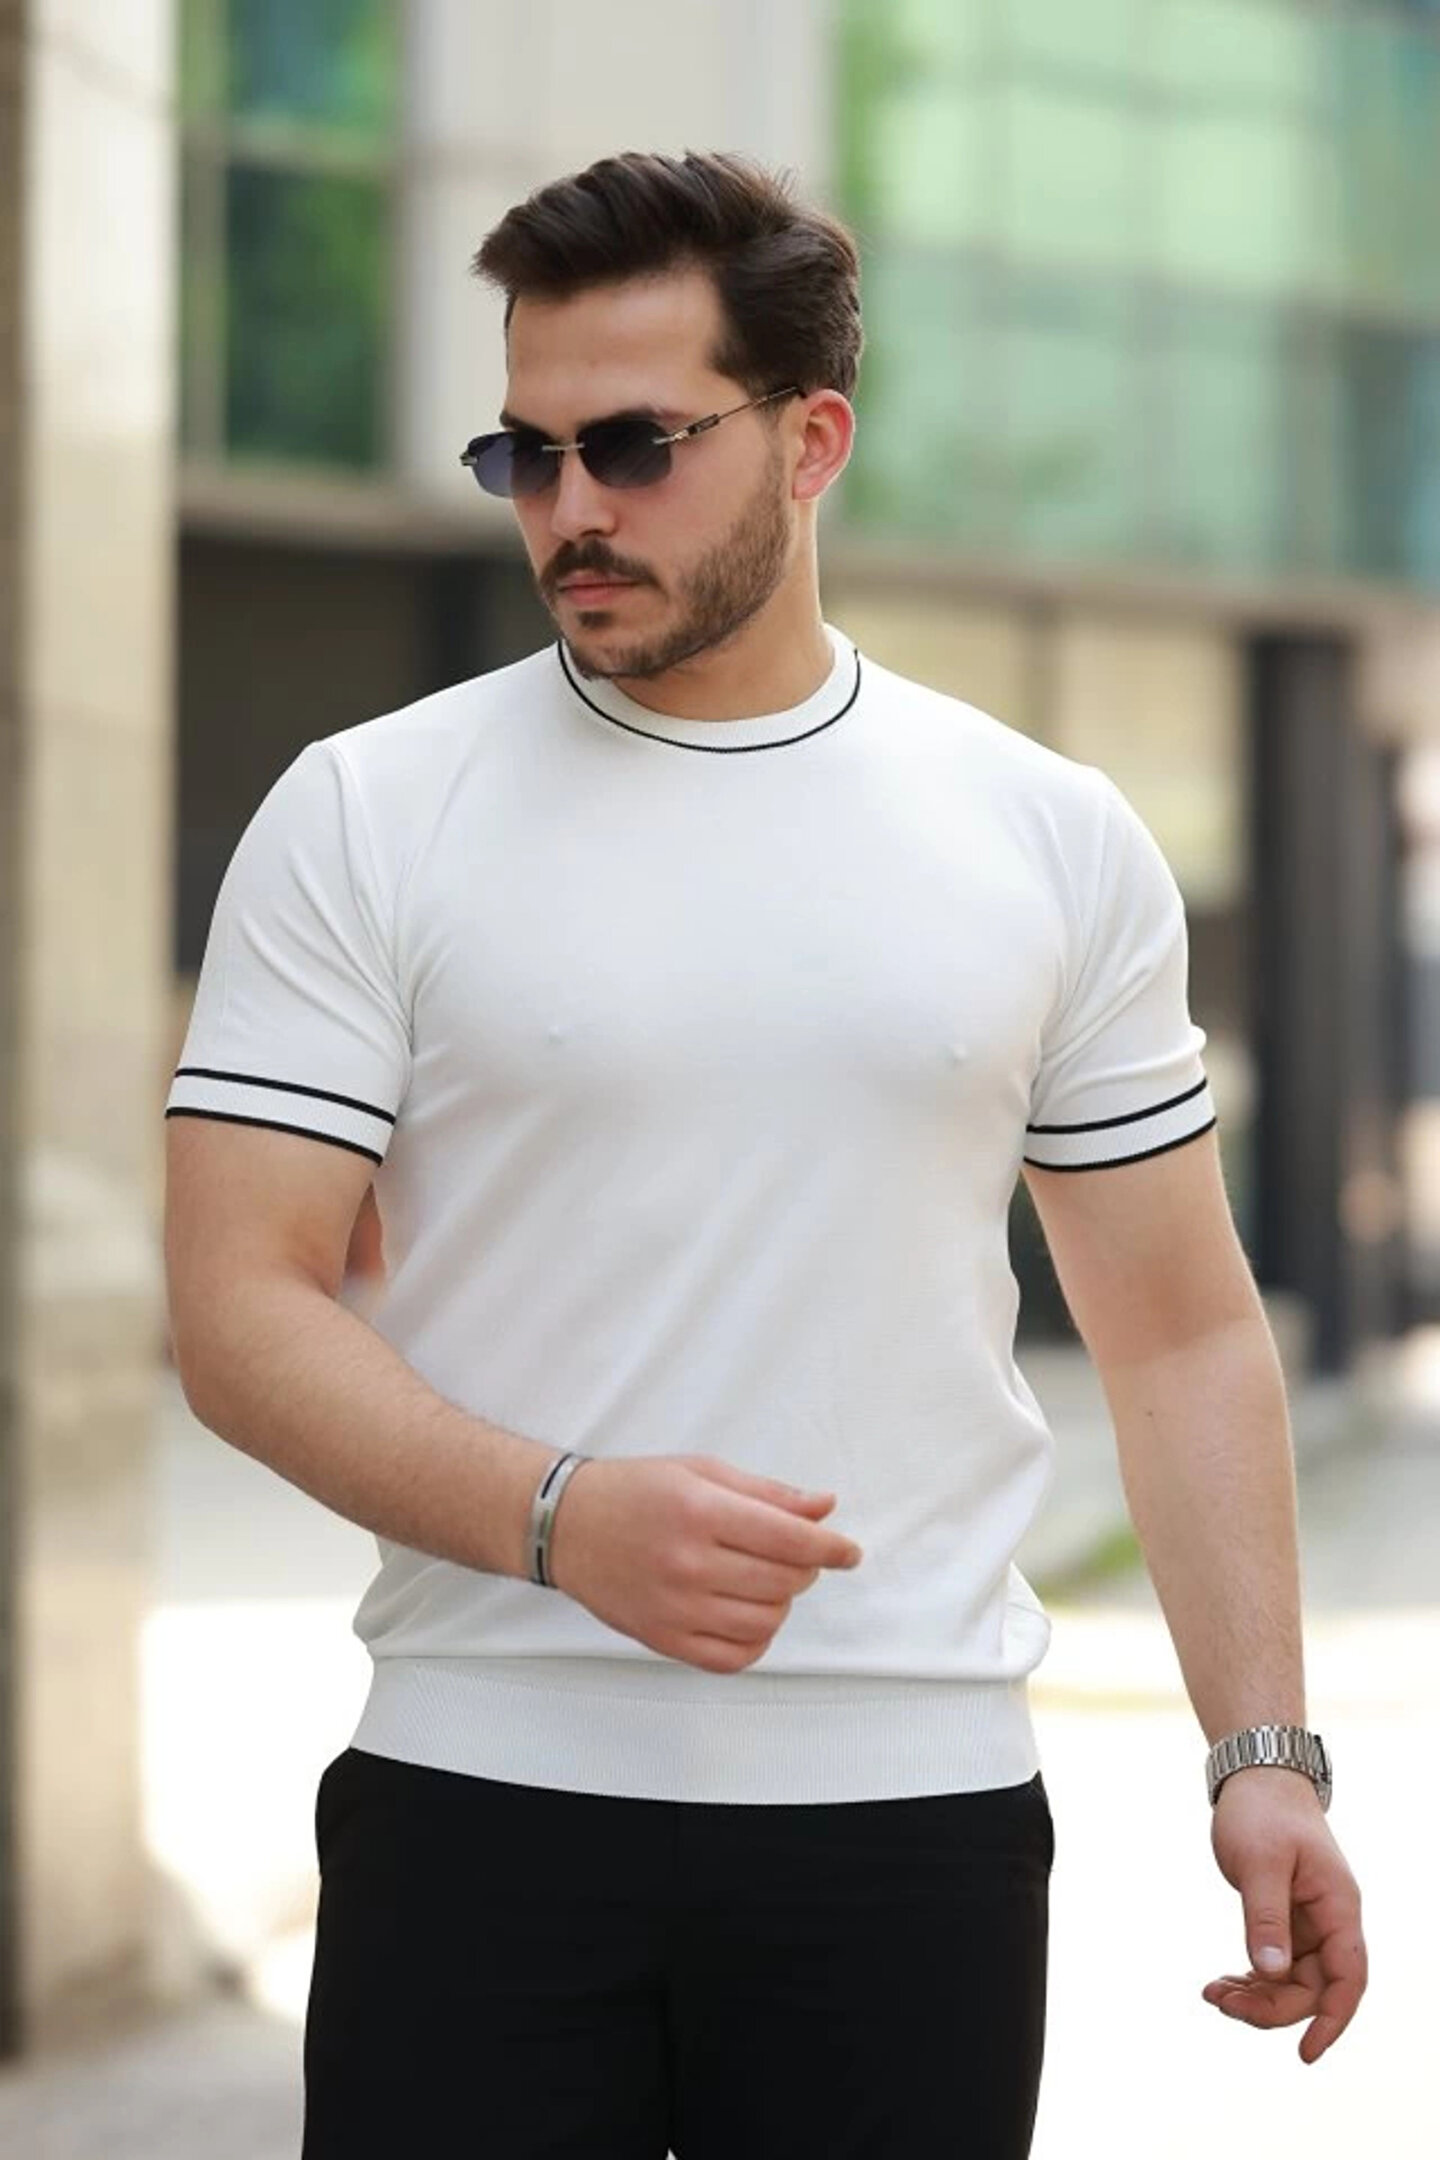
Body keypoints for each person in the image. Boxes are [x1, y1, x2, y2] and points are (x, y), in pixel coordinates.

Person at [162, 149, 1367, 2159]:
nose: (572, 510)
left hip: (908, 1834)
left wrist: (1263, 1753)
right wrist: (557, 1517)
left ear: (813, 442)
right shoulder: (367, 810)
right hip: (480, 1805)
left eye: (636, 447)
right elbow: (235, 1308)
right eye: (526, 455)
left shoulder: (1047, 835)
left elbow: (1177, 1335)